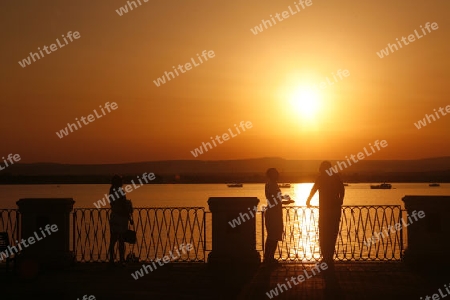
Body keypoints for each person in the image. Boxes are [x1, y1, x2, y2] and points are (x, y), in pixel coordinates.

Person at [306, 161, 345, 279]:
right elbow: (342, 190)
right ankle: (328, 258)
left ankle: (326, 258)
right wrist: (340, 200)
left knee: (325, 234)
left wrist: (308, 200)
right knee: (331, 234)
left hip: (326, 211)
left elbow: (314, 189)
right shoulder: (334, 177)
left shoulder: (322, 178)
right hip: (332, 210)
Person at [263, 168, 294, 264]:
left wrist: (284, 202)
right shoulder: (270, 185)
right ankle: (268, 258)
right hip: (273, 214)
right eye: (276, 174)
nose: (278, 175)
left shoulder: (272, 184)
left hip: (275, 213)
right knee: (272, 236)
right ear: (271, 175)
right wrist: (285, 201)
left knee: (274, 236)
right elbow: (274, 199)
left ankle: (269, 258)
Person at [108, 174, 133, 266]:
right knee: (121, 240)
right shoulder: (120, 191)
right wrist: (129, 217)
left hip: (114, 216)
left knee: (113, 239)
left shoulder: (111, 191)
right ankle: (121, 260)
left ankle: (111, 259)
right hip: (121, 217)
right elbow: (123, 205)